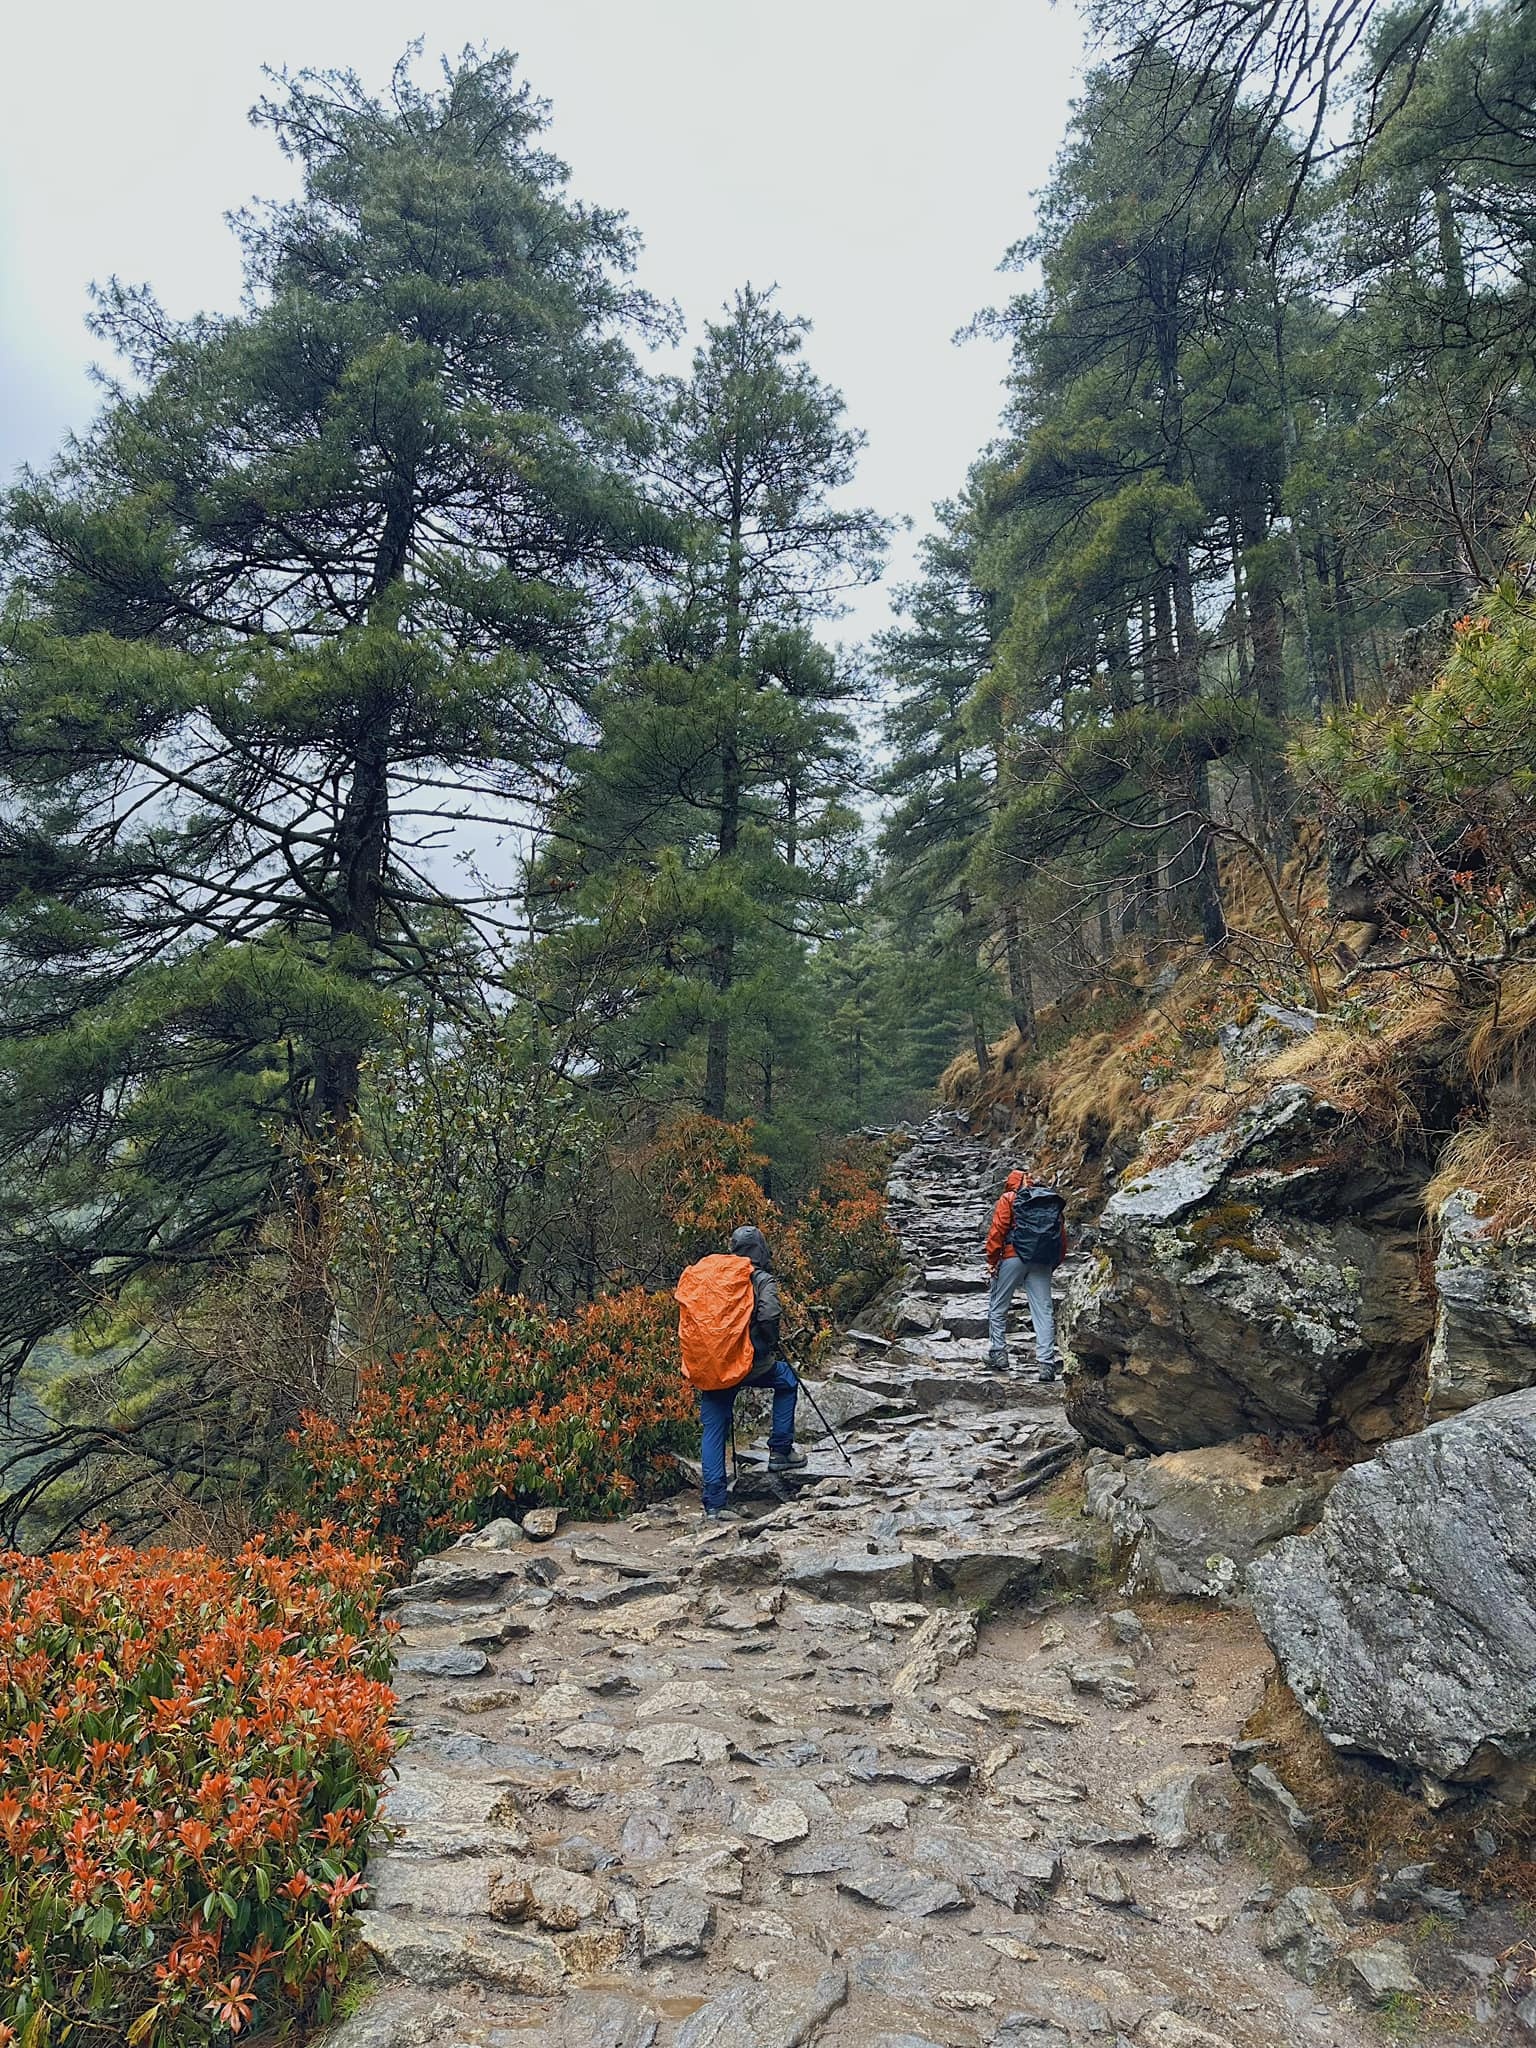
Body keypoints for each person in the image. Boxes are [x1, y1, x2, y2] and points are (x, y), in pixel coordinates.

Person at [696, 1225, 806, 1520]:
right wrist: (767, 1343)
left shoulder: (713, 1276)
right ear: (760, 1249)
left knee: (715, 1424)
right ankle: (781, 1451)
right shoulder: (759, 1279)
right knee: (787, 1380)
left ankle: (715, 1504)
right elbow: (769, 1314)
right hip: (749, 1362)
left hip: (713, 1364)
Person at [984, 1167, 1067, 1380]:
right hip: (1041, 1261)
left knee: (998, 1304)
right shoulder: (1049, 1201)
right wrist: (1051, 1264)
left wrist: (992, 1261)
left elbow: (998, 1230)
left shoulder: (1009, 1198)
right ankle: (1046, 1364)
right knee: (1043, 1310)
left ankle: (998, 1353)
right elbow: (1061, 1237)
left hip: (1012, 1256)